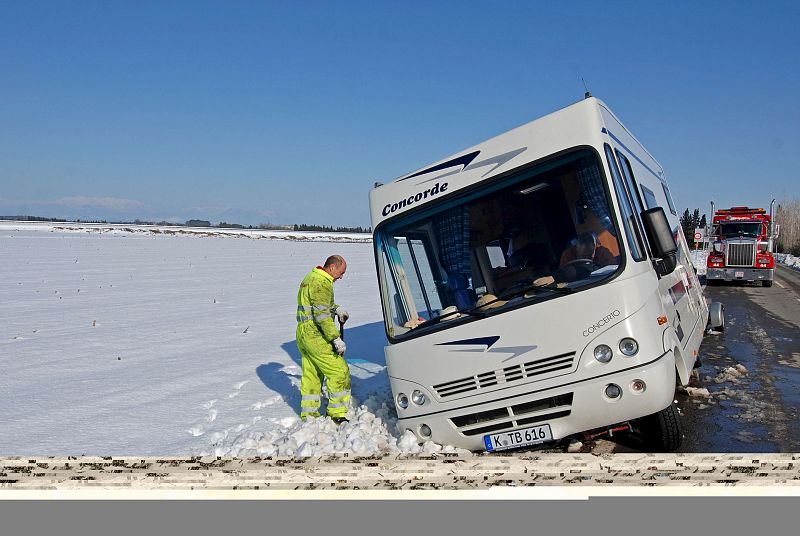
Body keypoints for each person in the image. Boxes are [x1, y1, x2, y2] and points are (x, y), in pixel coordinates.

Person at [295, 255, 351, 424]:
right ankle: (337, 413)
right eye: (341, 272)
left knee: (312, 373)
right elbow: (322, 316)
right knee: (339, 371)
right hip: (315, 334)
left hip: (303, 333)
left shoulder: (311, 277)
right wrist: (335, 339)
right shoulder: (321, 283)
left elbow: (320, 305)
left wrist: (337, 308)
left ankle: (309, 415)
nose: (341, 277)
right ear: (332, 267)